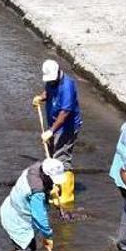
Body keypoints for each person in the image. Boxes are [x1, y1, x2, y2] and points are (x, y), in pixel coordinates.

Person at [0, 158, 67, 251]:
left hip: (10, 209)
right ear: (46, 174)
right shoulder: (37, 191)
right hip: (18, 220)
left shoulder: (36, 168)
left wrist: (50, 194)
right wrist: (47, 235)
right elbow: (39, 216)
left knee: (19, 248)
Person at [32, 59, 83, 207]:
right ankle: (56, 187)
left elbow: (65, 112)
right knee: (53, 156)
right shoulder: (52, 81)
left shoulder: (67, 86)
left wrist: (51, 131)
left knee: (61, 158)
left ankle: (66, 195)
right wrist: (41, 98)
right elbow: (49, 91)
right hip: (54, 125)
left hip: (66, 127)